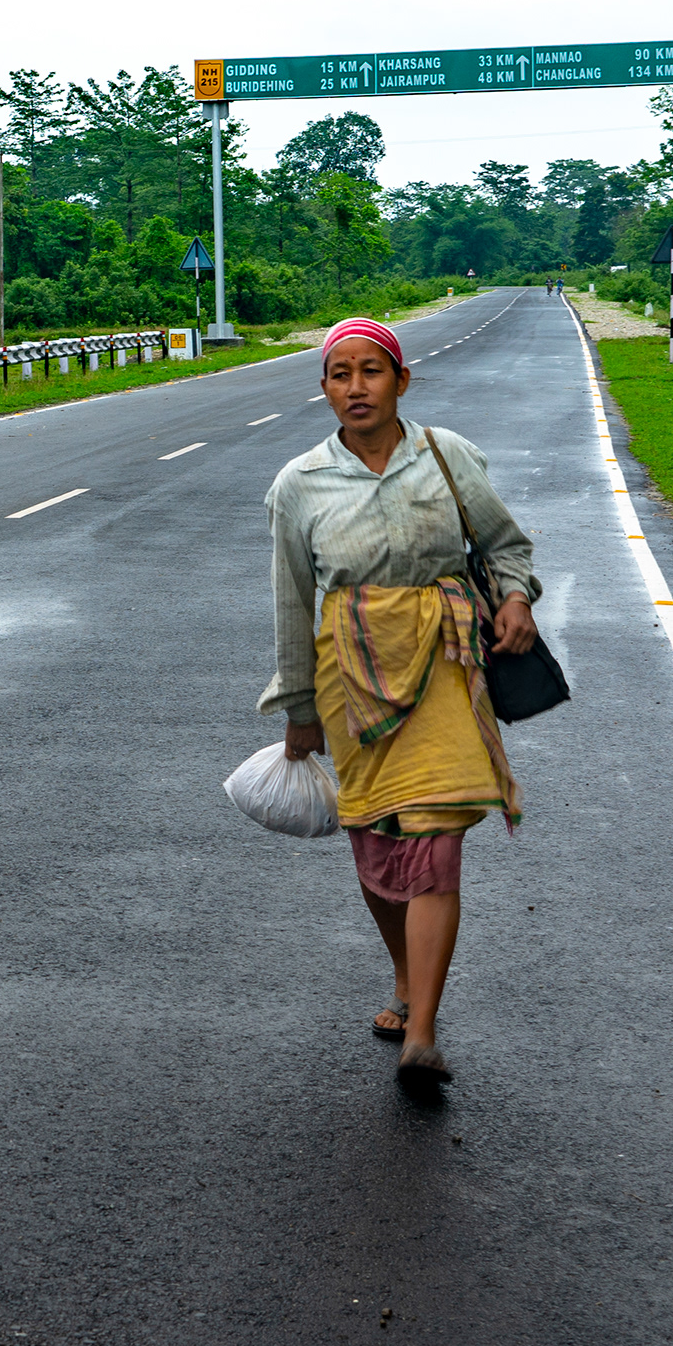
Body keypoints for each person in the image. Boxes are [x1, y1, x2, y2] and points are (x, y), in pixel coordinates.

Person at [258, 314, 541, 1099]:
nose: (356, 387)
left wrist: (515, 597)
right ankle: (404, 976)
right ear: (323, 389)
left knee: (435, 833)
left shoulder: (448, 456)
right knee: (378, 840)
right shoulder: (298, 485)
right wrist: (298, 707)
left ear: (401, 380)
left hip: (446, 659)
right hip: (348, 671)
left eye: (371, 371)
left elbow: (506, 544)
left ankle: (422, 1034)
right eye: (340, 374)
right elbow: (290, 602)